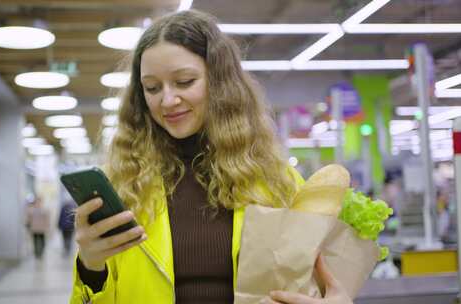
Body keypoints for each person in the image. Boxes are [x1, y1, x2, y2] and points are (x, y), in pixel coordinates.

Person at [71, 9, 353, 304]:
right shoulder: (124, 187)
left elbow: (318, 283)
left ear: (219, 82)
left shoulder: (277, 182)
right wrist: (90, 266)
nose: (167, 100)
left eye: (184, 81)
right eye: (152, 88)